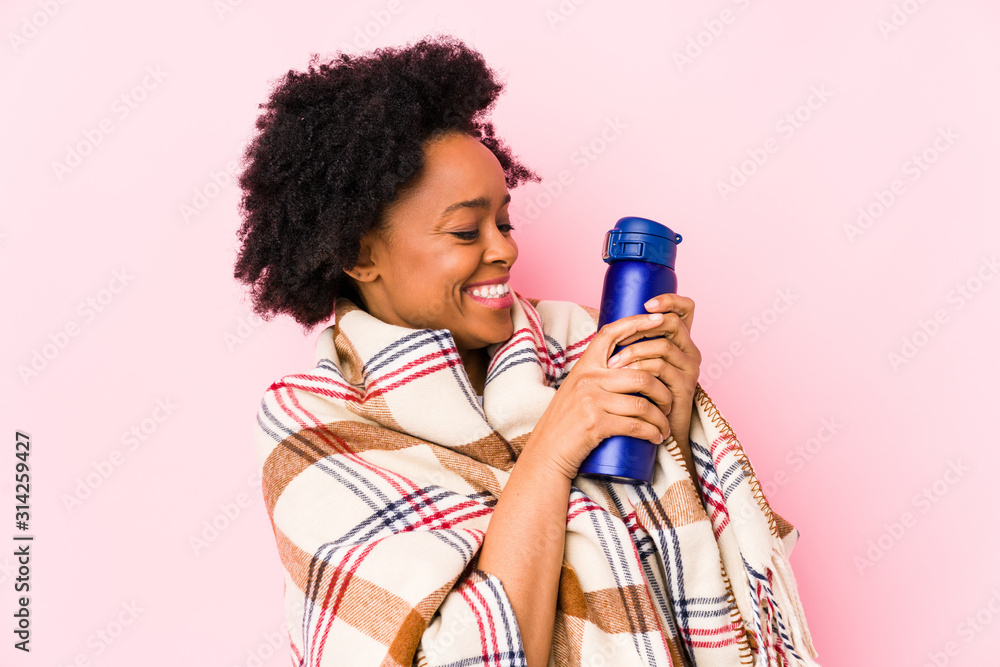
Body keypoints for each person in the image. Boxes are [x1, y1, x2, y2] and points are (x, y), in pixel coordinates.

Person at [234, 34, 820, 667]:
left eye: (504, 223)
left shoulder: (580, 345)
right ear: (358, 254)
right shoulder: (311, 425)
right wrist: (554, 448)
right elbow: (455, 654)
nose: (506, 250)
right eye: (466, 230)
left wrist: (674, 432)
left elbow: (684, 566)